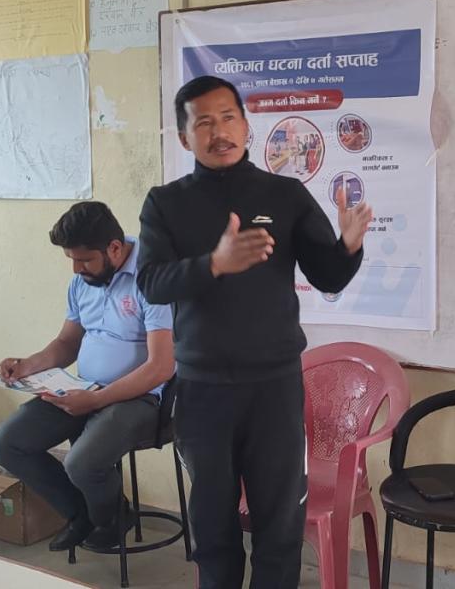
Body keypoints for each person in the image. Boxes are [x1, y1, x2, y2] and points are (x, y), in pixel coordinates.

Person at [137, 75, 371, 588]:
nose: (218, 131)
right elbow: (151, 284)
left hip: (274, 390)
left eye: (228, 118)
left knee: (279, 526)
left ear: (245, 126)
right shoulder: (164, 203)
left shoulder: (284, 194)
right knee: (213, 528)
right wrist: (213, 264)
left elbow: (328, 275)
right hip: (202, 392)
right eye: (204, 123)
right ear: (185, 138)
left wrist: (349, 246)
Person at [0, 201, 174, 553]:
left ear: (114, 248)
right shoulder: (82, 282)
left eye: (85, 260)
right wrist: (27, 365)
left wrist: (97, 400)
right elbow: (67, 343)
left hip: (142, 399)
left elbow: (160, 367)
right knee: (6, 443)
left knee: (82, 463)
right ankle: (89, 514)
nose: (76, 269)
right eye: (71, 259)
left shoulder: (153, 279)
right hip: (83, 389)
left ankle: (106, 517)